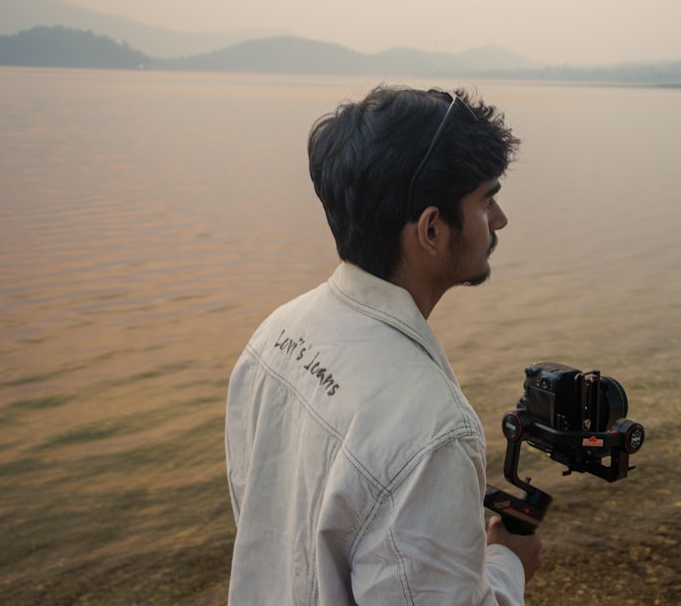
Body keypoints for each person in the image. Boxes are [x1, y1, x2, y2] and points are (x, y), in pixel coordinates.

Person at [225, 85, 542, 605]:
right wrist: (508, 565)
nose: (500, 218)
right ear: (432, 230)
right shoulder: (431, 428)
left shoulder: (274, 336)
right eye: (486, 200)